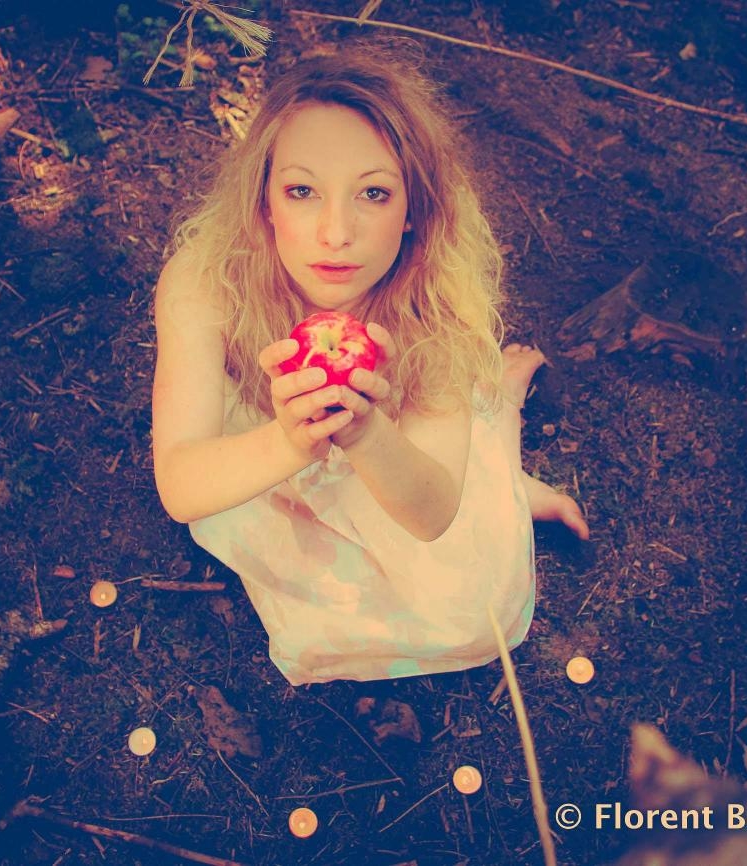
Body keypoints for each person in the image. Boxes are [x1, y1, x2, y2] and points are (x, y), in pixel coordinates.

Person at [151, 47, 589, 686]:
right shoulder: (205, 280)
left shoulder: (437, 302)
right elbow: (182, 486)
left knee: (469, 611)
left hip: (398, 457)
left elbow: (433, 511)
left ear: (413, 210)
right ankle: (497, 448)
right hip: (266, 449)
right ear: (265, 201)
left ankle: (498, 428)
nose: (335, 233)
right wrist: (290, 441)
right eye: (302, 191)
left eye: (374, 193)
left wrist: (362, 433)